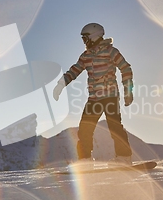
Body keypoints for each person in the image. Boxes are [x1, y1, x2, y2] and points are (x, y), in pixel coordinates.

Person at [53, 23, 134, 166]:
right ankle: (85, 159)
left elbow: (125, 68)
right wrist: (60, 85)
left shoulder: (110, 51)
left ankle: (124, 158)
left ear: (94, 36)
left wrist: (128, 90)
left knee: (114, 127)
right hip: (94, 99)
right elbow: (74, 71)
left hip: (110, 96)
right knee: (85, 128)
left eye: (86, 38)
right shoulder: (86, 56)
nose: (84, 42)